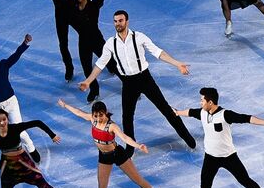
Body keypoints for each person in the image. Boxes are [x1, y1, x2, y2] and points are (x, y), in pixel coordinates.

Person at [78, 10, 197, 148]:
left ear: (127, 22)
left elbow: (158, 52)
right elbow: (100, 64)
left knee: (165, 109)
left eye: (121, 20)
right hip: (128, 83)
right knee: (127, 118)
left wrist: (177, 63)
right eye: (115, 21)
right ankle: (131, 148)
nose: (118, 24)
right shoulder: (111, 43)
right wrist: (88, 81)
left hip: (145, 79)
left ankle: (188, 138)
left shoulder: (139, 37)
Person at [174, 87, 264, 188]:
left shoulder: (225, 115)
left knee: (246, 181)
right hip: (210, 157)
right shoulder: (202, 113)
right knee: (205, 185)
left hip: (229, 157)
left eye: (202, 100)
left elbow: (246, 118)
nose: (200, 103)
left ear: (210, 102)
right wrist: (177, 112)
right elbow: (189, 112)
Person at [56, 99, 171, 188]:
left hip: (118, 154)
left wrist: (138, 146)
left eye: (101, 115)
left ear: (106, 112)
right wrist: (65, 105)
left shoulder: (112, 126)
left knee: (138, 179)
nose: (98, 118)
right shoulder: (92, 119)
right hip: (104, 157)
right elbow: (78, 112)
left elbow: (125, 137)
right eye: (96, 115)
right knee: (102, 187)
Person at [9, 0, 92, 80]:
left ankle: (103, 60)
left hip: (73, 13)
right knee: (63, 44)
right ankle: (69, 68)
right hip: (60, 15)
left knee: (87, 35)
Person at [72, 0, 106, 103]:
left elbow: (101, 1)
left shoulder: (93, 4)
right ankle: (94, 89)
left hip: (96, 39)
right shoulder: (74, 5)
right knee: (87, 67)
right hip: (83, 41)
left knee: (111, 62)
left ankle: (128, 84)